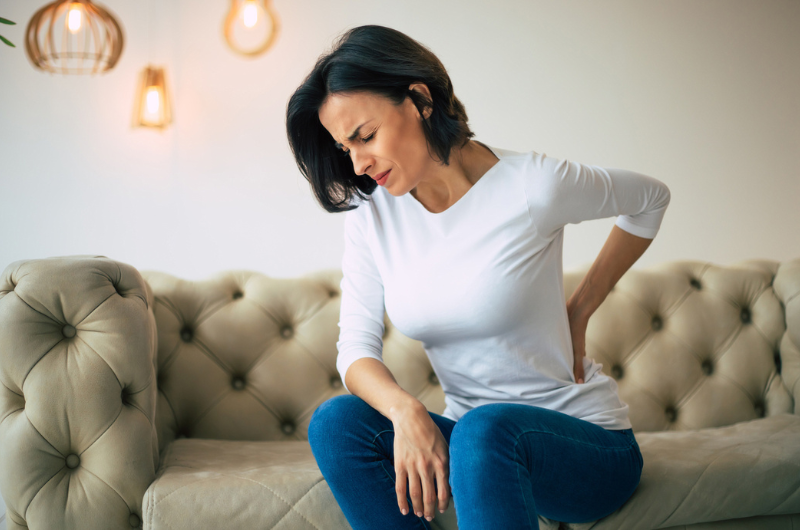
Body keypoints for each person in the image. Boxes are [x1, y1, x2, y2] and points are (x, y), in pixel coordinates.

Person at [286, 24, 666, 530]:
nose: (357, 164)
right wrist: (404, 411)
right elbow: (355, 351)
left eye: (365, 136)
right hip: (474, 448)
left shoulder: (533, 185)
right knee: (337, 424)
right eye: (344, 148)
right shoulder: (372, 215)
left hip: (584, 445)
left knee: (484, 429)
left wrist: (580, 309)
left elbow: (650, 200)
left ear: (419, 100)